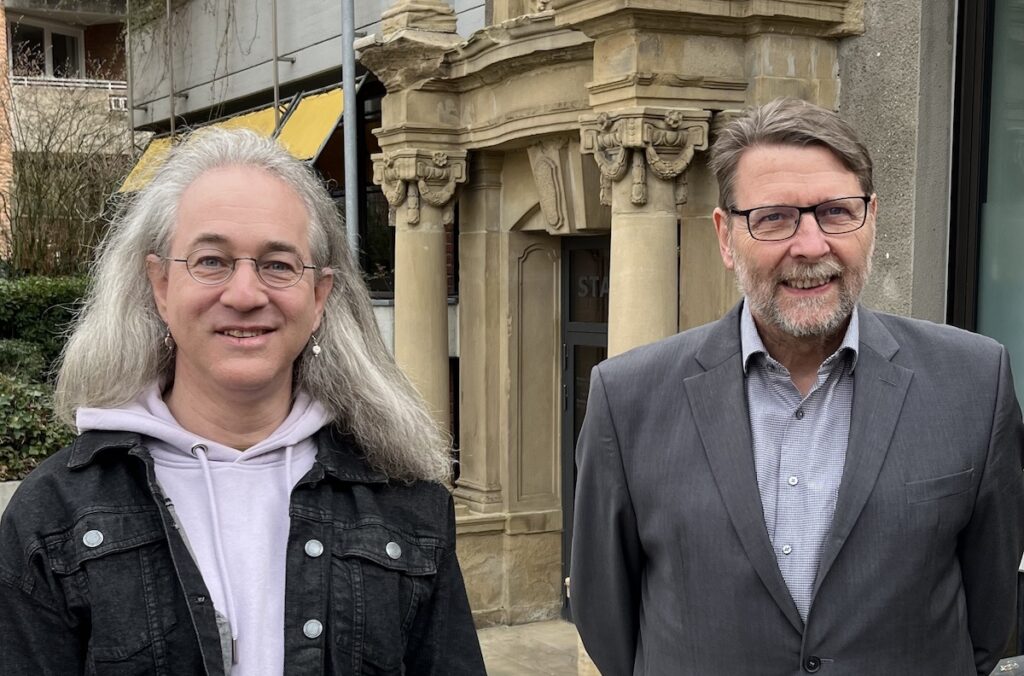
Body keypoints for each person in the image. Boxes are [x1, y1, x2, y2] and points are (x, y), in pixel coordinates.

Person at [0, 128, 486, 675]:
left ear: (319, 296)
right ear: (160, 285)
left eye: (279, 265)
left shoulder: (406, 501)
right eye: (211, 260)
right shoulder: (52, 516)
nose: (246, 294)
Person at [570, 98, 1024, 675]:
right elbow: (607, 622)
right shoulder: (627, 398)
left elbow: (987, 621)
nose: (811, 246)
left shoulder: (974, 383)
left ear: (872, 219)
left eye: (836, 212)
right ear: (726, 236)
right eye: (775, 217)